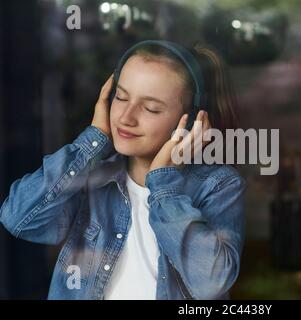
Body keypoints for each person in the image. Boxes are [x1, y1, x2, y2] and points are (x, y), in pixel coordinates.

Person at [0, 41, 246, 300]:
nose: (126, 117)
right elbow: (19, 218)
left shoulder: (219, 185)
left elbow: (211, 284)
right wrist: (92, 141)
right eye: (121, 96)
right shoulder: (90, 179)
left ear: (192, 119)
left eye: (150, 108)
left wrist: (163, 185)